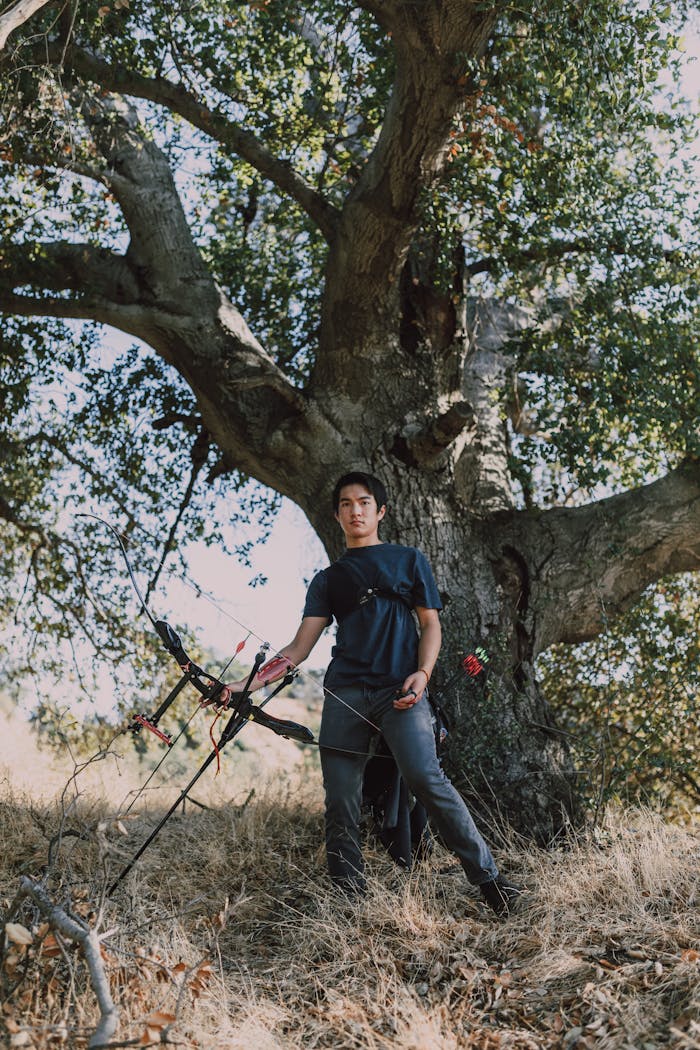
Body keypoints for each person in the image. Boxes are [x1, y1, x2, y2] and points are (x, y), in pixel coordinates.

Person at [221, 471, 521, 916]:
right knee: (340, 798)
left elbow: (431, 624)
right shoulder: (328, 580)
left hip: (400, 689)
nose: (355, 510)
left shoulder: (408, 560)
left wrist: (423, 672)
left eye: (364, 502)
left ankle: (491, 883)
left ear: (380, 511)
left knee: (425, 777)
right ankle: (349, 901)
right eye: (346, 504)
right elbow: (298, 649)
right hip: (345, 693)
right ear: (338, 514)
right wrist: (240, 686)